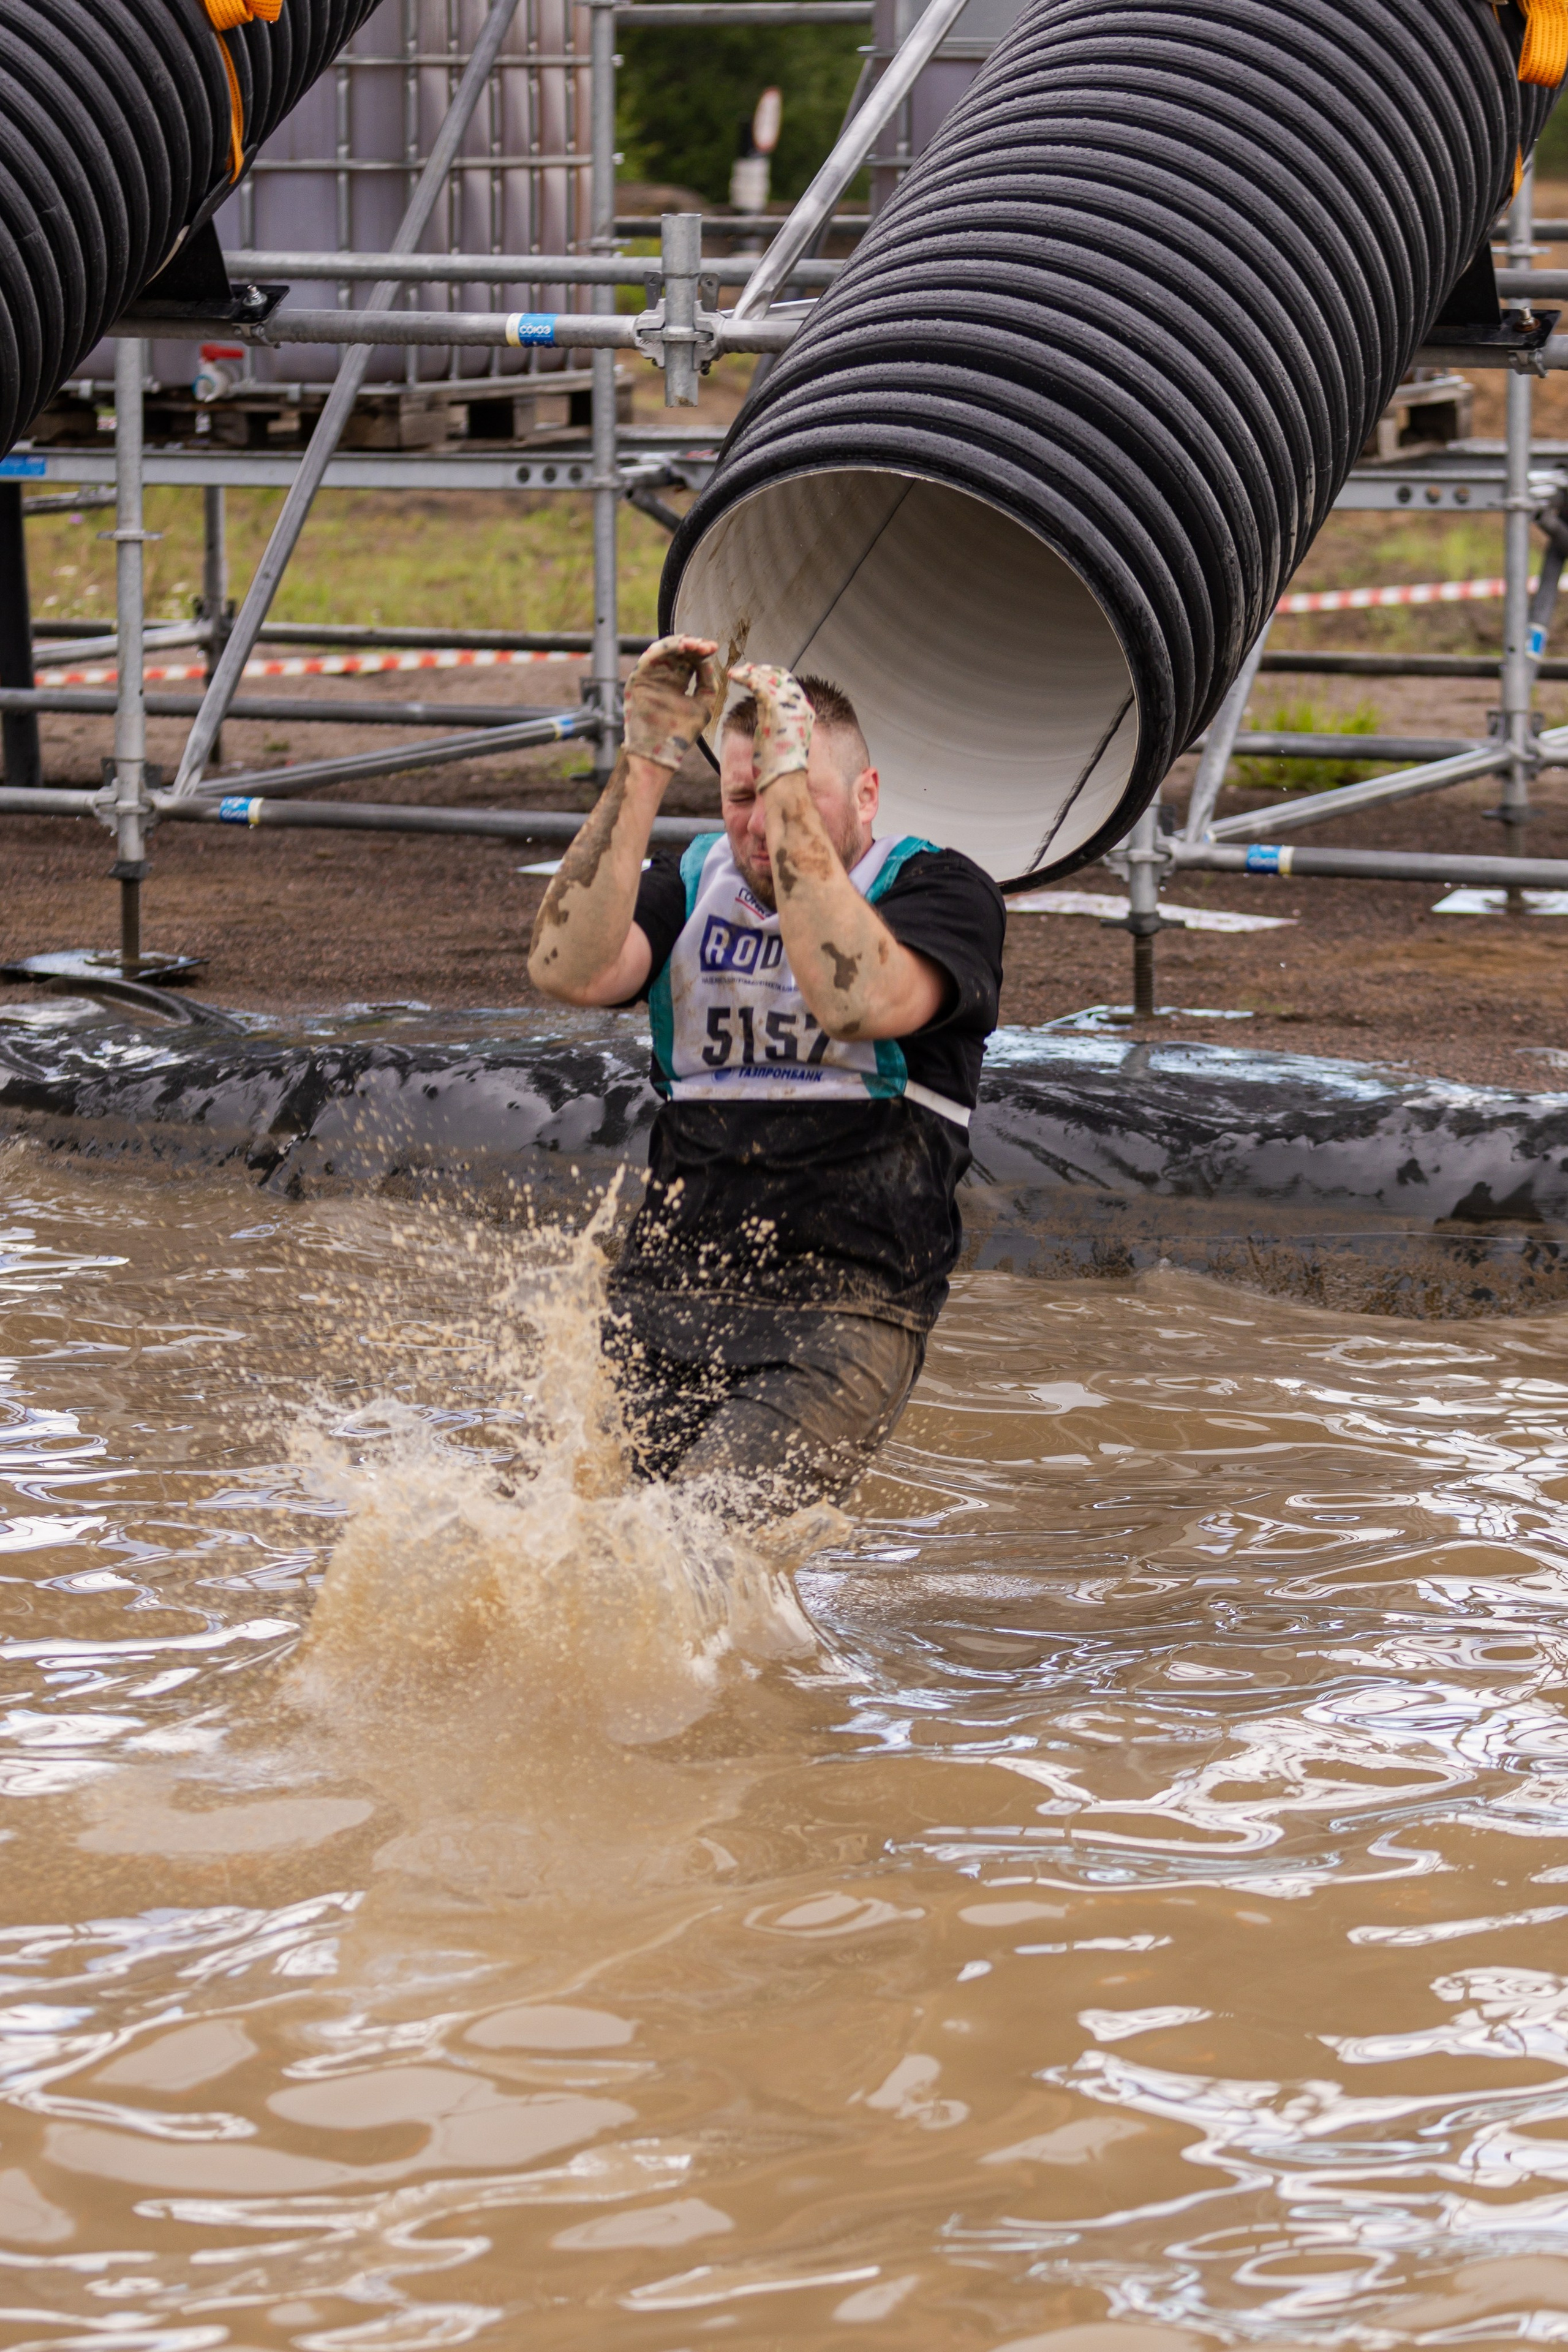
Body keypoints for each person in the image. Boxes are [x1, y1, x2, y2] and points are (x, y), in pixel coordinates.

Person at [527, 635, 1005, 1509]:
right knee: (584, 1551)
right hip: (662, 1302)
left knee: (693, 1551)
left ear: (866, 795)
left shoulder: (940, 892)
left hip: (841, 1318)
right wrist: (644, 762)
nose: (760, 822)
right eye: (742, 797)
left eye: (790, 793)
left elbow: (854, 1002)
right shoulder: (696, 878)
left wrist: (785, 795)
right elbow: (568, 967)